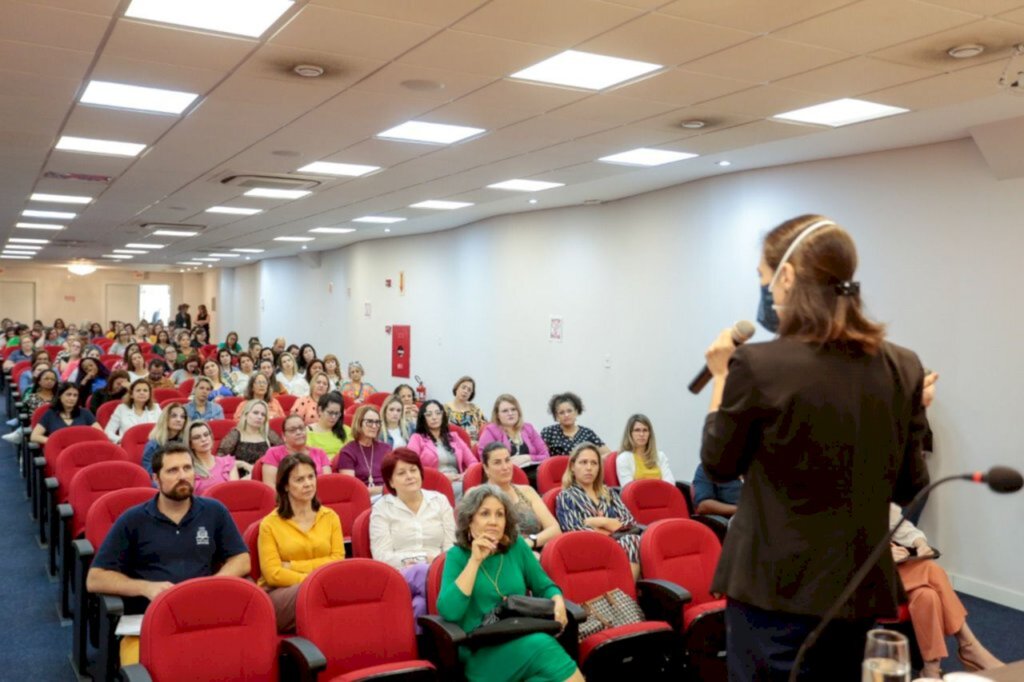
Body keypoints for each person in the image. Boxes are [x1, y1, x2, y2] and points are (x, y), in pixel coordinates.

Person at [700, 214, 929, 681]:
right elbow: (910, 486)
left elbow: (718, 463)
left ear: (786, 276)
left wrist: (721, 376)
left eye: (764, 278)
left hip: (773, 592)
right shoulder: (903, 366)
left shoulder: (759, 364)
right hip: (856, 590)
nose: (766, 291)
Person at [86, 443, 249, 664]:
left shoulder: (214, 511)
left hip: (203, 614)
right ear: (156, 478)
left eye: (187, 468)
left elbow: (241, 559)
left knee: (233, 662)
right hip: (149, 618)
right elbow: (95, 579)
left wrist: (213, 584)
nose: (183, 476)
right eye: (172, 470)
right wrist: (146, 587)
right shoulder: (133, 520)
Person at [438, 485, 582, 682]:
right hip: (481, 651)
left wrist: (557, 600)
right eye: (485, 514)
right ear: (470, 521)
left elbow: (544, 585)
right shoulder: (457, 556)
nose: (493, 521)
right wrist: (475, 561)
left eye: (500, 514)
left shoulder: (517, 547)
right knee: (543, 645)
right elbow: (449, 611)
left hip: (520, 634)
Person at [888, 504, 1003, 679]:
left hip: (893, 571)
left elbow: (898, 524)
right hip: (857, 575)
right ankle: (969, 645)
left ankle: (931, 670)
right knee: (931, 570)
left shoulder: (874, 492)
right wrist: (884, 553)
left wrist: (920, 544)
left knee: (927, 595)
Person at [258, 452, 344, 632]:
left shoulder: (330, 517)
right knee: (318, 594)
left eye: (311, 477)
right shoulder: (269, 524)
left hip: (324, 588)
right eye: (299, 479)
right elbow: (273, 574)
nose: (308, 484)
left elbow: (337, 561)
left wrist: (293, 566)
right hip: (281, 593)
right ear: (285, 486)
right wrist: (314, 581)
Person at [370, 448, 456, 623]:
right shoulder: (382, 508)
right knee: (421, 571)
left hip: (439, 570)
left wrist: (436, 563)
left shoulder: (439, 501)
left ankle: (421, 641)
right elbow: (381, 556)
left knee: (420, 605)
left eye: (413, 470)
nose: (410, 476)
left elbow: (452, 547)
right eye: (401, 473)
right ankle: (458, 613)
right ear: (391, 482)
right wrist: (423, 559)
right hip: (400, 575)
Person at [556, 443, 641, 579]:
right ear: (572, 466)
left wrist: (601, 521)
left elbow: (630, 522)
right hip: (588, 550)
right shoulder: (566, 496)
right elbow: (575, 531)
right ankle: (627, 588)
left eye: (594, 463)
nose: (589, 468)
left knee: (633, 539)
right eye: (583, 462)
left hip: (618, 546)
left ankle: (626, 588)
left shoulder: (609, 492)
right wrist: (613, 526)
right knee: (631, 540)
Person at [481, 442, 561, 553]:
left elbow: (555, 529)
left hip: (535, 549)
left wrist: (529, 542)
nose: (505, 467)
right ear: (486, 468)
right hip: (501, 554)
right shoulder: (479, 497)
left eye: (507, 460)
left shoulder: (527, 491)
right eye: (497, 463)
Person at [407, 400, 476, 495]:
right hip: (433, 483)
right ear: (423, 418)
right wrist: (441, 477)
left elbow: (473, 462)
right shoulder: (417, 438)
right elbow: (411, 465)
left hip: (458, 479)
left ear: (443, 416)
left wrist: (466, 475)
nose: (434, 417)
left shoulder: (454, 437)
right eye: (429, 414)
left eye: (438, 413)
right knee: (468, 491)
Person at [260, 415, 332, 490]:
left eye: (301, 428)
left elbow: (327, 484)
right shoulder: (273, 453)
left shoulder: (320, 453)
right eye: (292, 430)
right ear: (284, 436)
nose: (298, 432)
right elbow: (270, 487)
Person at [478, 394, 549, 467]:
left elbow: (546, 456)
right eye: (505, 411)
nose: (510, 413)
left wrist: (527, 457)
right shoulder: (490, 431)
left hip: (533, 470)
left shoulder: (528, 428)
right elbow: (487, 462)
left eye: (513, 409)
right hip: (506, 472)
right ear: (497, 415)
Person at [334, 405, 390, 495]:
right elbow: (350, 488)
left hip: (389, 496)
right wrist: (384, 489)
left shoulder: (386, 449)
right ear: (359, 423)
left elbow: (396, 479)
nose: (374, 426)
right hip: (363, 498)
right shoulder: (347, 452)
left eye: (377, 422)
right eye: (369, 422)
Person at [218, 399, 283, 477]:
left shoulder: (268, 434)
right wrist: (243, 464)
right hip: (241, 477)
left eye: (263, 415)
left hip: (265, 476)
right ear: (245, 415)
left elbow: (282, 454)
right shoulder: (235, 434)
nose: (259, 417)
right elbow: (220, 460)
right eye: (255, 413)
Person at [540, 392, 608, 457]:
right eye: (561, 412)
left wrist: (593, 460)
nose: (566, 415)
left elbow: (608, 454)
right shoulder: (548, 432)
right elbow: (541, 455)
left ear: (576, 412)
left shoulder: (587, 433)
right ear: (556, 416)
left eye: (569, 411)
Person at [615, 414, 674, 485]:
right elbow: (628, 488)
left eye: (645, 430)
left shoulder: (660, 456)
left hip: (662, 492)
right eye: (637, 430)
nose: (641, 434)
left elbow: (670, 484)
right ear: (630, 434)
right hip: (638, 493)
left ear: (650, 434)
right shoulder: (623, 458)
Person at [186, 421, 237, 494]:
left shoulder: (227, 462)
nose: (203, 439)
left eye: (206, 434)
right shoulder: (188, 469)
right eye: (197, 437)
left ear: (211, 437)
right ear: (191, 444)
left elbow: (235, 492)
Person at [104, 379, 161, 445]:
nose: (142, 393)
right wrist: (121, 440)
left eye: (145, 390)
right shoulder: (121, 409)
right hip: (128, 446)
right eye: (138, 390)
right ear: (131, 394)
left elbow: (163, 429)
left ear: (149, 394)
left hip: (152, 446)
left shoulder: (156, 407)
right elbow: (108, 431)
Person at [141, 403, 189, 475]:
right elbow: (150, 472)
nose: (179, 420)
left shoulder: (186, 441)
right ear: (165, 419)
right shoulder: (153, 445)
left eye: (182, 417)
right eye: (174, 416)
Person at [305, 392, 350, 462]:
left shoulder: (347, 431)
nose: (334, 417)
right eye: (330, 413)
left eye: (337, 413)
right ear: (320, 410)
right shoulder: (308, 431)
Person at [445, 376, 487, 445]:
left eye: (469, 390)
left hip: (472, 447)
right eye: (463, 387)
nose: (465, 391)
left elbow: (485, 430)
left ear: (471, 394)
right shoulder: (445, 409)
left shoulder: (475, 410)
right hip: (452, 446)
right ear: (457, 388)